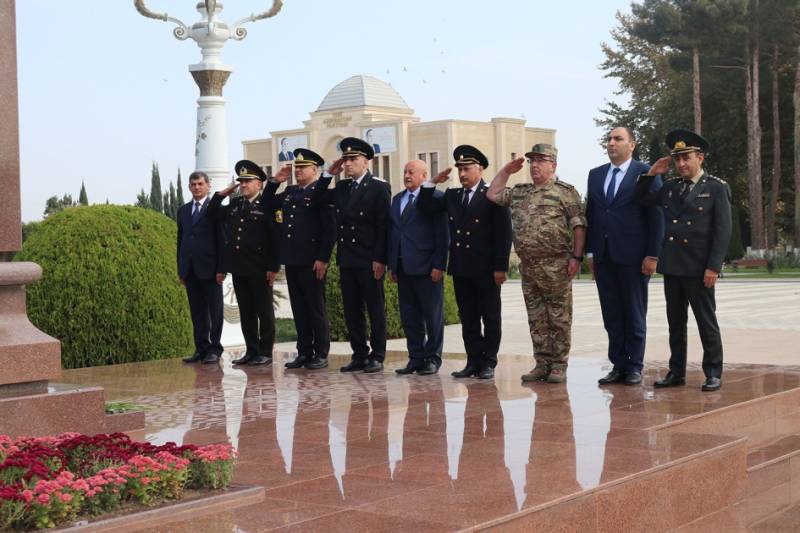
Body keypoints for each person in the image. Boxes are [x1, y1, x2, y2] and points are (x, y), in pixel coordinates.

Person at [634, 129, 731, 392]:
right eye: (677, 159)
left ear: (700, 158)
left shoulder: (716, 188)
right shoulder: (670, 187)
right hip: (673, 265)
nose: (681, 164)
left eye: (686, 158)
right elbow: (640, 198)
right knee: (675, 323)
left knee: (705, 322)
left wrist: (713, 266)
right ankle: (676, 371)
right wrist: (652, 173)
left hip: (700, 268)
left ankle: (713, 371)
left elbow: (722, 231)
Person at [487, 144, 586, 383]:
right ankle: (542, 363)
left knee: (559, 318)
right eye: (532, 162)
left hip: (556, 265)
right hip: (529, 266)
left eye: (540, 161)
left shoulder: (565, 192)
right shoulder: (520, 192)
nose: (535, 166)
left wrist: (576, 257)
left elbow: (579, 225)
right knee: (536, 318)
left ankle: (559, 365)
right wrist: (506, 171)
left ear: (553, 165)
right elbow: (492, 194)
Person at [417, 145, 512, 380]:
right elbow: (425, 206)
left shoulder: (492, 194)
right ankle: (473, 360)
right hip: (461, 268)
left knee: (490, 317)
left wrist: (501, 267)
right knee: (468, 317)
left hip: (487, 269)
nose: (462, 174)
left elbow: (504, 233)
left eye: (466, 168)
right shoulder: (453, 195)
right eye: (459, 169)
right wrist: (431, 183)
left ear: (479, 169)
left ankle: (488, 361)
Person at [587, 128, 665, 386]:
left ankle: (634, 366)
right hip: (604, 256)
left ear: (632, 145)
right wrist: (590, 251)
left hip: (634, 257)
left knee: (633, 313)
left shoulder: (646, 172)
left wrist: (652, 254)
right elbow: (593, 214)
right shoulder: (596, 175)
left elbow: (656, 216)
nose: (611, 143)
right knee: (612, 314)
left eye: (618, 139)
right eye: (609, 139)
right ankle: (618, 364)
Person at [311, 137, 391, 373]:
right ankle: (359, 354)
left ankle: (377, 355)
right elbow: (316, 199)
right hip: (348, 258)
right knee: (352, 309)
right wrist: (328, 174)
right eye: (345, 160)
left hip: (369, 258)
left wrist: (380, 259)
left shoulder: (378, 186)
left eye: (353, 159)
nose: (347, 164)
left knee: (375, 308)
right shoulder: (343, 187)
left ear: (366, 161)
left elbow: (383, 226)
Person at [262, 148, 336, 370]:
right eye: (297, 168)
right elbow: (265, 204)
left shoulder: (320, 192)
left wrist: (323, 258)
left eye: (303, 168)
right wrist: (275, 181)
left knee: (315, 308)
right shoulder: (291, 192)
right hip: (292, 259)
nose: (298, 171)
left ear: (315, 170)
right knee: (299, 309)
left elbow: (329, 229)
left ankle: (321, 352)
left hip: (312, 260)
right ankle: (304, 351)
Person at [207, 160, 280, 366]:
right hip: (239, 268)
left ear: (259, 184)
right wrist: (222, 194)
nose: (244, 184)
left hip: (260, 268)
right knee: (246, 312)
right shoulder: (236, 204)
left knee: (264, 312)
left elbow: (275, 239)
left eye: (248, 181)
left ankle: (265, 352)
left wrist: (273, 268)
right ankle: (251, 350)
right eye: (241, 181)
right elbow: (212, 215)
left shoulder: (266, 206)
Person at [388, 160, 449, 376]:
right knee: (410, 316)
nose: (406, 175)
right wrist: (392, 265)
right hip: (404, 268)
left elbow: (442, 234)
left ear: (424, 175)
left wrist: (439, 264)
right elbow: (394, 234)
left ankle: (432, 359)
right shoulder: (397, 200)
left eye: (411, 172)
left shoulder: (436, 198)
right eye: (405, 171)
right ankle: (416, 357)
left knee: (432, 317)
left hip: (427, 268)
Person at [178, 171, 226, 365]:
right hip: (190, 270)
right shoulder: (183, 210)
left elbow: (222, 241)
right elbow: (180, 241)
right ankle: (201, 348)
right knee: (197, 312)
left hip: (211, 270)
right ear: (189, 187)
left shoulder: (215, 209)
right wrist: (181, 269)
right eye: (193, 184)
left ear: (208, 186)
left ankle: (215, 348)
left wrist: (222, 269)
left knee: (215, 311)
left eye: (200, 184)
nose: (196, 187)